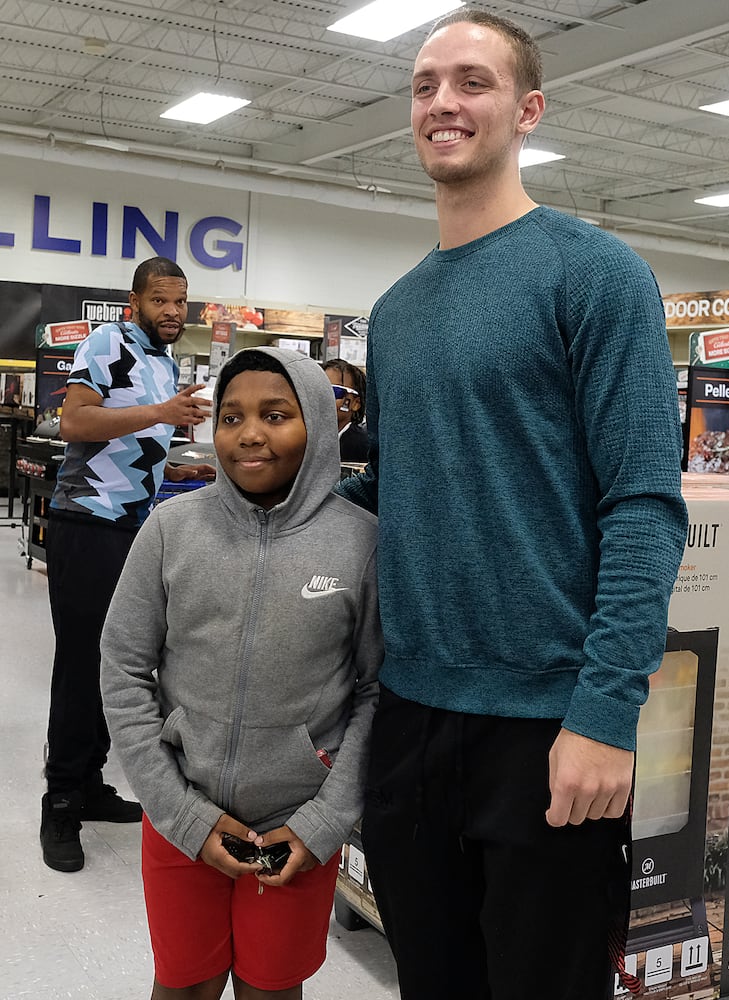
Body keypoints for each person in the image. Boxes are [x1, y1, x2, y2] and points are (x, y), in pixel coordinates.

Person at [335, 9, 688, 1000]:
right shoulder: (397, 312)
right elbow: (398, 486)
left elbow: (641, 507)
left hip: (545, 728)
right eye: (423, 85)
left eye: (471, 82)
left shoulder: (596, 275)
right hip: (409, 720)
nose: (442, 101)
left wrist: (603, 714)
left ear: (526, 109)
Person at [100, 347, 382, 1000]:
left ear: (316, 422)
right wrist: (179, 812)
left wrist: (323, 822)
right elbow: (122, 667)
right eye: (231, 416)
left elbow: (375, 691)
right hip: (179, 816)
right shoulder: (172, 530)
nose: (249, 432)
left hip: (297, 829)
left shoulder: (361, 544)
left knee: (271, 988)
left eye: (275, 414)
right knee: (184, 985)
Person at [41, 256, 216, 874]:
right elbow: (76, 422)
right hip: (86, 524)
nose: (173, 312)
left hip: (133, 528)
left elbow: (126, 443)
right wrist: (161, 414)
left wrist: (174, 466)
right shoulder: (106, 341)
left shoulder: (164, 361)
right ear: (136, 299)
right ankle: (60, 797)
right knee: (81, 660)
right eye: (162, 301)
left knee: (120, 662)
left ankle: (89, 783)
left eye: (181, 301)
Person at [323, 358, 368, 463]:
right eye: (319, 390)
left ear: (355, 404)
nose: (324, 397)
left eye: (334, 391)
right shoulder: (305, 439)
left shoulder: (363, 446)